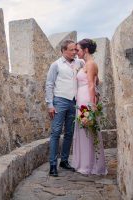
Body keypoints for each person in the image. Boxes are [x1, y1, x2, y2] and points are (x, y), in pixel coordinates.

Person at [45, 39, 84, 177]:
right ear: (63, 50)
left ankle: (65, 161)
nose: (75, 52)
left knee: (69, 133)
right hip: (60, 101)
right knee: (55, 133)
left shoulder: (80, 62)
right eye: (72, 50)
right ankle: (53, 165)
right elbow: (49, 84)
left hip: (74, 102)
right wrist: (50, 105)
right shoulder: (55, 65)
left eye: (76, 49)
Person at [72, 39, 107, 175]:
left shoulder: (91, 64)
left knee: (89, 131)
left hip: (86, 98)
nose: (76, 52)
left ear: (85, 50)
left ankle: (90, 165)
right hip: (81, 98)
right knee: (83, 131)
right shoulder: (85, 64)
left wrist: (92, 104)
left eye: (78, 50)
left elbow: (92, 85)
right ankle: (84, 162)